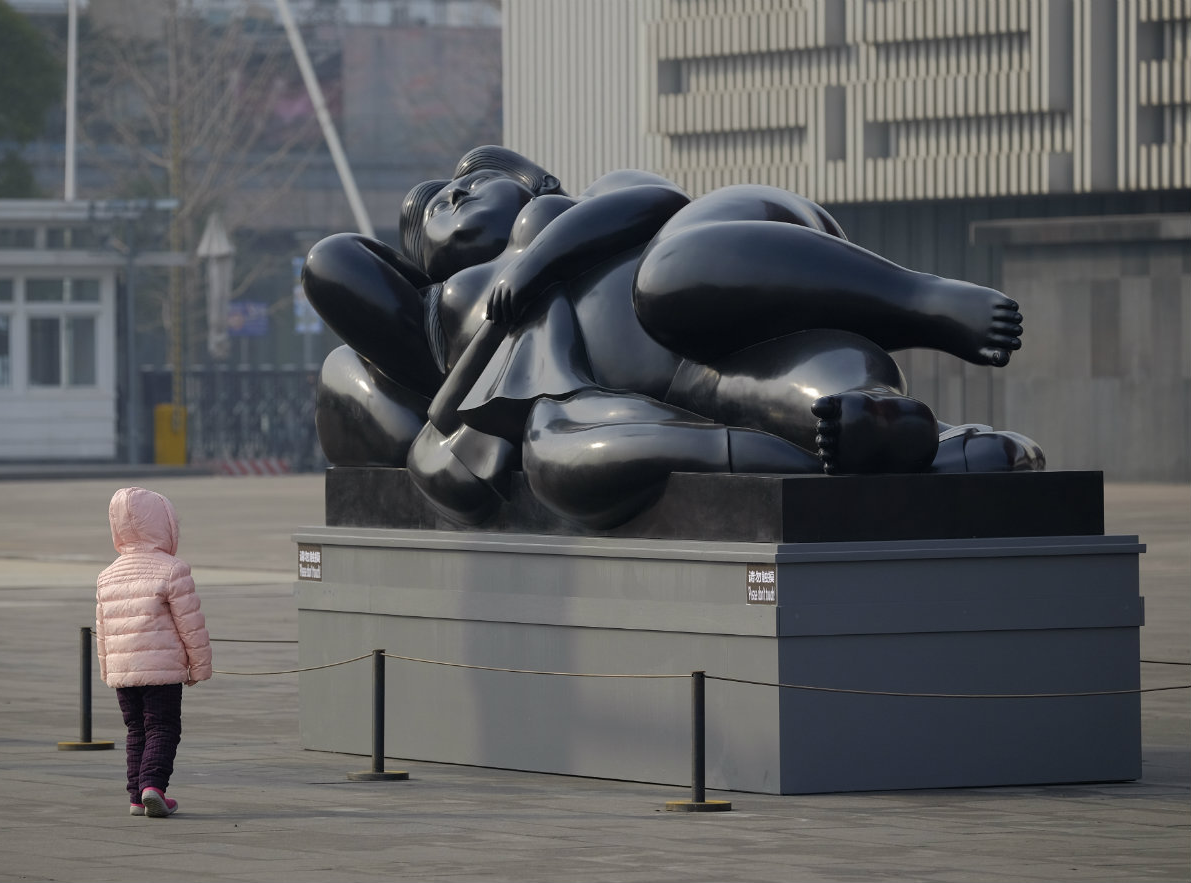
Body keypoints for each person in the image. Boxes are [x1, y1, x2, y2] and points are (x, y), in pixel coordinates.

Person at [302, 146, 1042, 529]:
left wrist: (538, 262)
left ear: (526, 184)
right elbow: (335, 267)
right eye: (432, 211)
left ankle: (923, 299)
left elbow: (658, 200)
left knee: (671, 279)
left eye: (470, 183)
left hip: (741, 266)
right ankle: (879, 426)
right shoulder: (453, 312)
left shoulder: (585, 204)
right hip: (695, 381)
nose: (452, 195)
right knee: (789, 386)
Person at [96, 486, 212, 818]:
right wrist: (199, 667)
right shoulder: (172, 569)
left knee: (136, 730)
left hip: (123, 670)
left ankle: (136, 796)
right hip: (162, 669)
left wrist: (107, 672)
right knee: (162, 726)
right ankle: (153, 787)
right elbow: (190, 624)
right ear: (165, 525)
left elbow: (102, 630)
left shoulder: (107, 576)